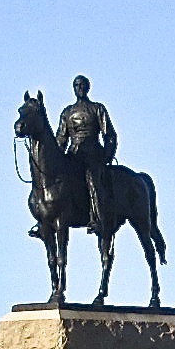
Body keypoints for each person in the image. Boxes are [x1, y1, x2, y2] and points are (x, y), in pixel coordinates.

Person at [52, 74, 118, 233]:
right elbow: (61, 138)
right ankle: (49, 217)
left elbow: (110, 134)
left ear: (88, 87)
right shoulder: (67, 112)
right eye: (77, 85)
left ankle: (96, 218)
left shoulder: (97, 108)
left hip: (93, 154)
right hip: (73, 155)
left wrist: (106, 156)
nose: (80, 88)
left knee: (91, 180)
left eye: (82, 85)